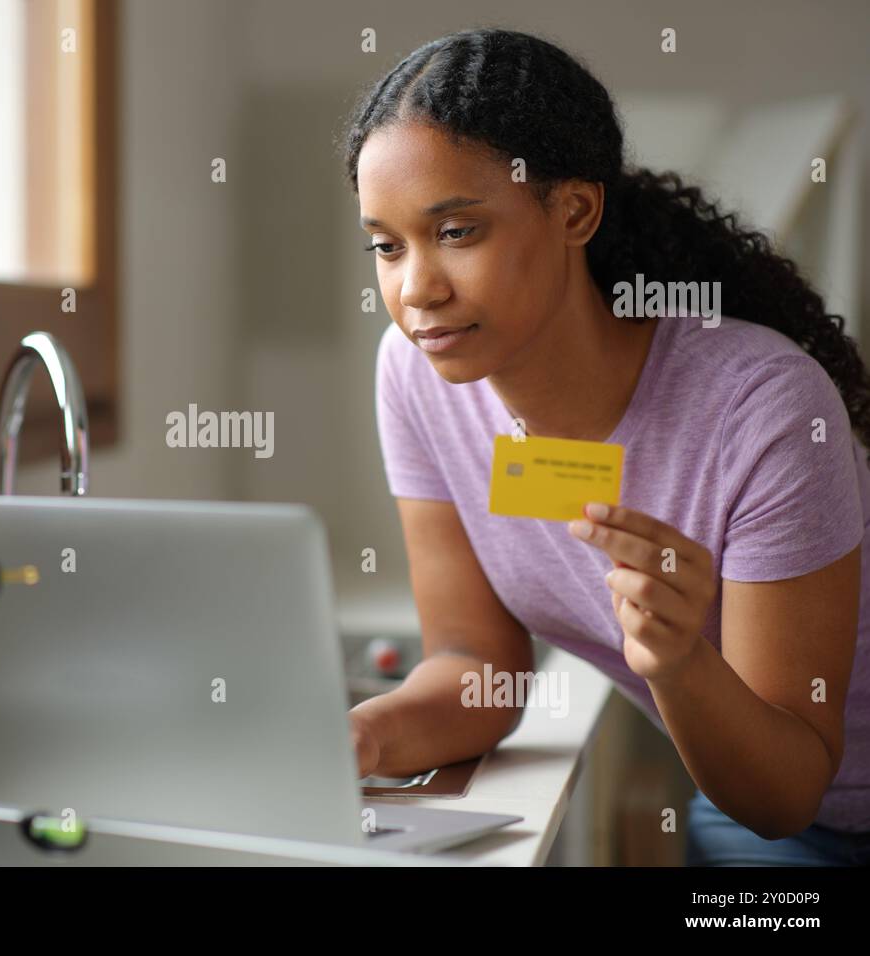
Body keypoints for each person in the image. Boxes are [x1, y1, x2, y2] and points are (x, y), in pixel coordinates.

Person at [338, 27, 870, 865]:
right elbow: (477, 667)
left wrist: (680, 659)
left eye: (458, 232)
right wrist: (358, 738)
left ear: (575, 211)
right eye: (386, 245)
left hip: (800, 797)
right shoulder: (414, 377)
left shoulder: (762, 407)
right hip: (757, 814)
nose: (416, 291)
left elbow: (791, 783)